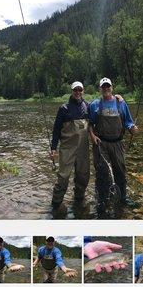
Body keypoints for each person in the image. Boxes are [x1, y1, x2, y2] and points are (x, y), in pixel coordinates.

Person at [89, 77, 138, 214]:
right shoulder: (94, 105)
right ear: (100, 89)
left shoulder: (121, 103)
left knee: (120, 171)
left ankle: (123, 198)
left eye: (108, 86)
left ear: (112, 87)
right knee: (102, 173)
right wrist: (92, 136)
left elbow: (128, 121)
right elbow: (90, 124)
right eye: (103, 86)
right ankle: (101, 200)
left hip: (118, 143)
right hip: (101, 144)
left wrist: (132, 128)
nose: (105, 89)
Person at [50, 81, 90, 214]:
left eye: (80, 90)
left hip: (83, 150)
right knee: (63, 177)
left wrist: (119, 98)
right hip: (67, 149)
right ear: (72, 92)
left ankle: (79, 199)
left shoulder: (88, 106)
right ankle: (56, 204)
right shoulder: (63, 109)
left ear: (83, 91)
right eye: (75, 90)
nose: (78, 92)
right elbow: (56, 130)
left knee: (83, 175)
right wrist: (53, 148)